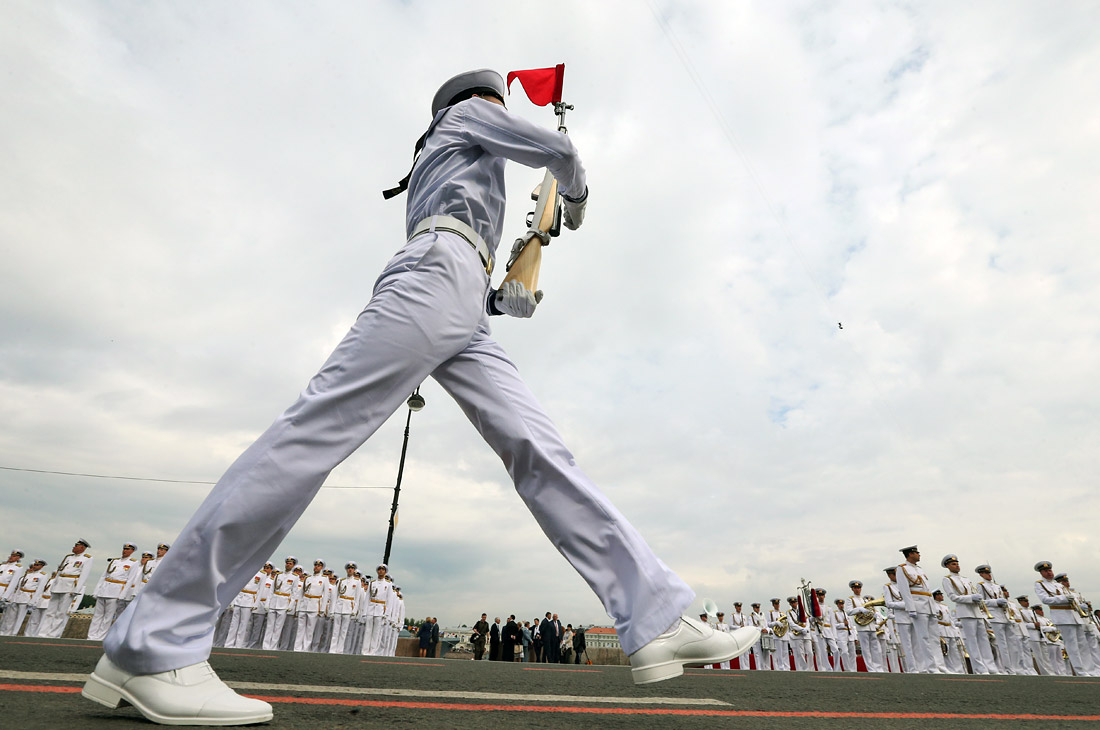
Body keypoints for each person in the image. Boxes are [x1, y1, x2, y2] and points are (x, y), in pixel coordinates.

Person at [85, 68, 754, 725]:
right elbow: (559, 152)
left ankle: (655, 613)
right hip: (435, 277)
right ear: (475, 101)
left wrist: (503, 289)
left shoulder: (461, 162)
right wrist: (573, 201)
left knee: (541, 454)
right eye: (497, 99)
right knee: (312, 435)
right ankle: (158, 640)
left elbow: (471, 250)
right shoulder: (462, 117)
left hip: (459, 292)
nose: (500, 108)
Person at [940, 554, 997, 674]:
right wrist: (971, 598)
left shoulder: (966, 579)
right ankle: (979, 668)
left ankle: (990, 667)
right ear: (947, 566)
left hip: (976, 611)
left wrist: (977, 599)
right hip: (965, 612)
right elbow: (953, 597)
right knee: (972, 642)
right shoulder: (947, 579)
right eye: (953, 564)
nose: (956, 566)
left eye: (957, 563)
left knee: (983, 640)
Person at [41, 539, 94, 638]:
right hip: (59, 585)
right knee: (50, 611)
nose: (74, 547)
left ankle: (53, 634)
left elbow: (84, 575)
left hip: (70, 586)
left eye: (76, 546)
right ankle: (42, 633)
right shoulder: (68, 557)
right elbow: (60, 571)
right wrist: (54, 585)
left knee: (61, 612)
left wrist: (76, 590)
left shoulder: (87, 558)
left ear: (82, 547)